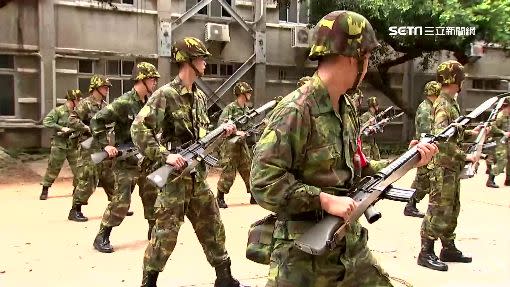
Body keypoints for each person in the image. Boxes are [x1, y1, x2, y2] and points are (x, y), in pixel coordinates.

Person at [250, 10, 437, 286]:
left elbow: (357, 169)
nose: (369, 64)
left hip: (348, 248)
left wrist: (409, 160)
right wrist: (324, 200)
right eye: (368, 57)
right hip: (302, 256)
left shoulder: (345, 106)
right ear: (353, 57)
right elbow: (264, 182)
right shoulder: (296, 110)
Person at [130, 37, 247, 287]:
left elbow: (202, 138)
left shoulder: (200, 98)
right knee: (165, 234)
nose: (205, 62)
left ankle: (224, 278)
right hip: (174, 179)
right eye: (201, 58)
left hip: (197, 177)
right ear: (188, 61)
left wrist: (222, 132)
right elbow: (139, 129)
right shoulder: (166, 94)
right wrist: (165, 155)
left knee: (213, 225)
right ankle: (148, 282)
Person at [90, 62, 160, 253]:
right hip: (126, 161)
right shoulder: (124, 102)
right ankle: (102, 236)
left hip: (146, 160)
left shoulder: (150, 102)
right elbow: (97, 120)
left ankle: (153, 231)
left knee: (152, 196)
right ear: (142, 79)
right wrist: (106, 145)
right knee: (121, 201)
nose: (155, 82)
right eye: (152, 79)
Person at [419, 60, 478, 271]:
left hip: (451, 167)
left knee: (452, 208)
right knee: (438, 209)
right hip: (443, 166)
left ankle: (448, 248)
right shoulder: (443, 105)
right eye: (461, 78)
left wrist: (474, 132)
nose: (462, 82)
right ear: (454, 79)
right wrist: (466, 157)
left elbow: (455, 134)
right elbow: (441, 140)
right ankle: (425, 252)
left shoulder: (451, 102)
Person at [67, 75, 115, 222]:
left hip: (102, 145)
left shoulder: (105, 106)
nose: (107, 90)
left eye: (107, 88)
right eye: (104, 87)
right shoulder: (85, 104)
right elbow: (72, 120)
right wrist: (87, 128)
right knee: (89, 177)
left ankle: (118, 206)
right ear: (95, 88)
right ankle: (75, 209)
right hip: (88, 145)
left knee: (109, 176)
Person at [404, 81, 441, 217]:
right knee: (422, 180)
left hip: (426, 147)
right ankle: (410, 205)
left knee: (424, 179)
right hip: (424, 147)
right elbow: (426, 132)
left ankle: (411, 205)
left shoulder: (429, 106)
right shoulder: (426, 109)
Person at [216, 82, 256, 208]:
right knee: (229, 172)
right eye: (248, 92)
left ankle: (253, 196)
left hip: (242, 144)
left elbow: (249, 126)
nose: (250, 94)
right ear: (242, 93)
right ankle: (220, 197)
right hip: (230, 145)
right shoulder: (230, 108)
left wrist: (251, 132)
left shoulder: (247, 109)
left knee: (248, 169)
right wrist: (236, 131)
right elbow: (221, 126)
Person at [39, 89, 82, 200]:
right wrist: (61, 128)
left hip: (73, 145)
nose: (79, 102)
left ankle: (76, 189)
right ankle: (45, 188)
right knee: (53, 168)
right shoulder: (58, 111)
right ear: (71, 100)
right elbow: (47, 121)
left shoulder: (77, 112)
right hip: (59, 144)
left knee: (79, 169)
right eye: (78, 100)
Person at [486, 98, 510, 188]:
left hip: (506, 141)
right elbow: (492, 127)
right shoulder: (500, 116)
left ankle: (508, 179)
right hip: (500, 141)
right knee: (502, 160)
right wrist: (503, 133)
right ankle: (490, 180)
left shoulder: (508, 115)